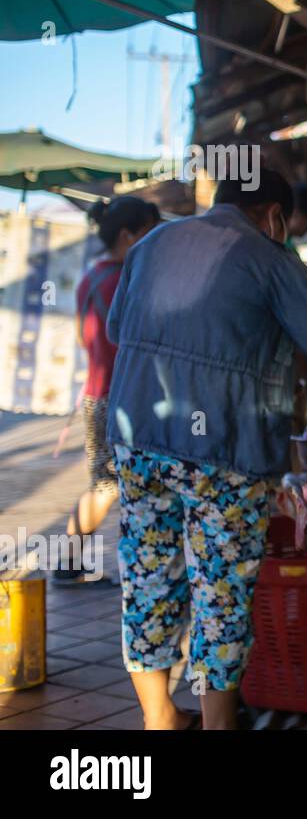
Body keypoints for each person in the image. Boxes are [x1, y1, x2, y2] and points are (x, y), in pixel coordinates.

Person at [105, 166, 307, 730]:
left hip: (138, 436)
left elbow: (120, 327)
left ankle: (158, 717)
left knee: (148, 574)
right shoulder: (268, 254)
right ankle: (219, 725)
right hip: (223, 449)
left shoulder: (153, 243)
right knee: (219, 589)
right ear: (274, 215)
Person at [54, 197, 161, 584]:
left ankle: (69, 561)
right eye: (150, 231)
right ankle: (69, 563)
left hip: (98, 393)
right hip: (120, 397)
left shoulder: (91, 277)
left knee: (106, 482)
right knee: (109, 485)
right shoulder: (124, 279)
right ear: (127, 235)